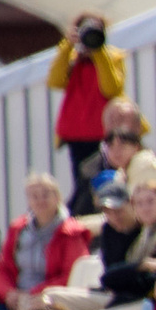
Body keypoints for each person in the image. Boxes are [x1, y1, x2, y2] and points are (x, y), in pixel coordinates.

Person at [0, 173, 89, 310]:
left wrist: (32, 293)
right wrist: (9, 293)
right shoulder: (18, 229)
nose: (40, 200)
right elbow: (3, 268)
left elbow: (71, 275)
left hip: (46, 297)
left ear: (57, 197)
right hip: (15, 296)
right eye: (34, 196)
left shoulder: (71, 232)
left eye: (46, 195)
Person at [49, 14, 125, 214]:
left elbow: (111, 88)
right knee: (83, 184)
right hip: (76, 136)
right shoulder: (73, 60)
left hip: (103, 134)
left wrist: (99, 53)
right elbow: (55, 81)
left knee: (103, 182)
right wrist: (67, 46)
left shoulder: (113, 57)